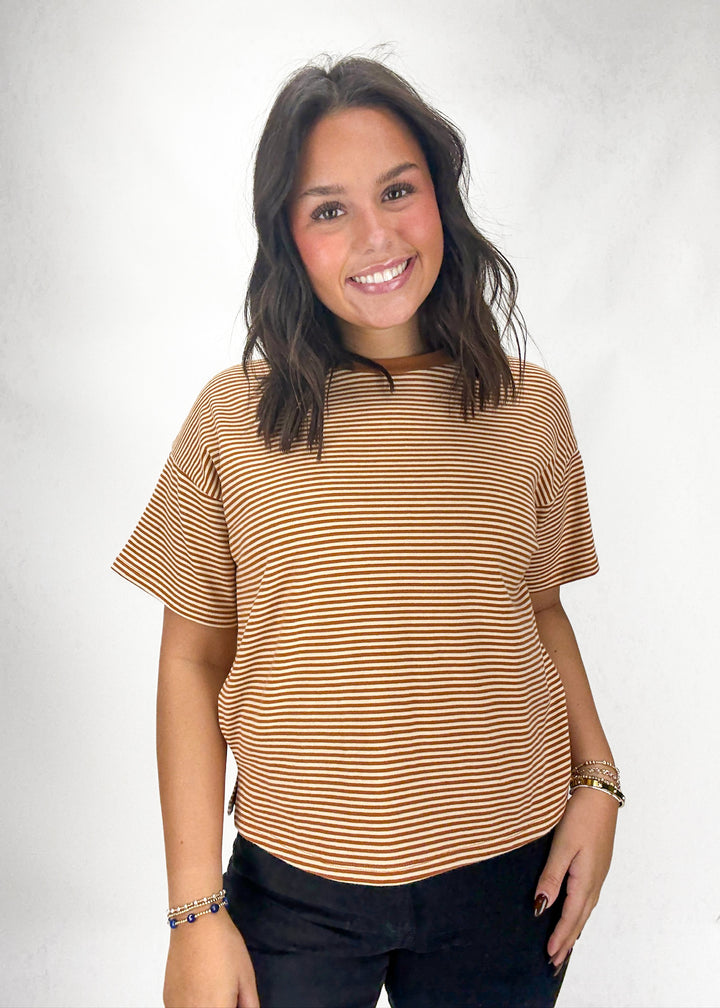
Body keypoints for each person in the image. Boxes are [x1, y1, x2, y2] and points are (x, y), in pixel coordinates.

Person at [112, 55, 623, 1008]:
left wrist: (599, 781)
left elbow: (539, 606)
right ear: (288, 238)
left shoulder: (528, 408)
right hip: (295, 890)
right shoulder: (235, 419)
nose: (377, 234)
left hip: (508, 878)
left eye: (399, 190)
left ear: (442, 198)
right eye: (328, 208)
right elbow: (191, 659)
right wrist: (194, 910)